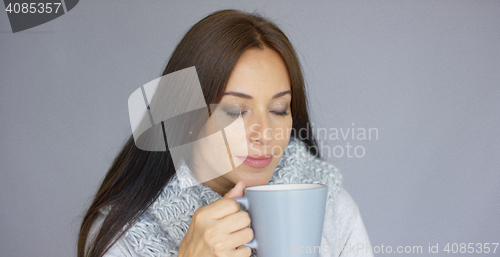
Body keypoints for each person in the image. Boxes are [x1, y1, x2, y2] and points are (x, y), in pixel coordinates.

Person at [78, 9, 372, 257]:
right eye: (234, 112)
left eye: (279, 109)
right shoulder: (122, 234)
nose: (265, 133)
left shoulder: (330, 208)